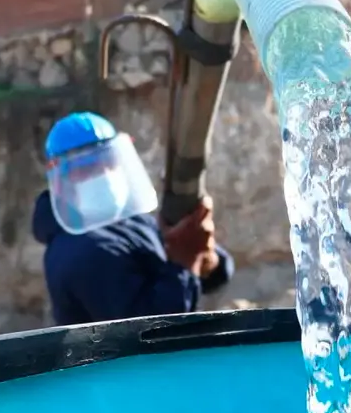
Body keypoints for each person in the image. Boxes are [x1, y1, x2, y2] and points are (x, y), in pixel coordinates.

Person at [32, 112, 234, 325]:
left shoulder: (131, 221)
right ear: (61, 180)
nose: (104, 174)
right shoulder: (78, 252)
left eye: (109, 163)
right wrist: (186, 263)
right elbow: (151, 331)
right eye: (86, 168)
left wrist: (206, 255)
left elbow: (213, 276)